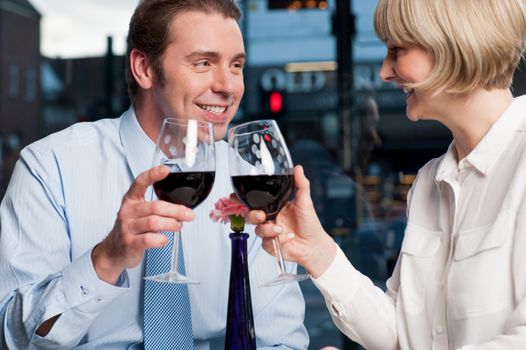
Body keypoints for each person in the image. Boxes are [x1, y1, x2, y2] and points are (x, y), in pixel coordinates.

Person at [0, 0, 308, 348]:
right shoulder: (50, 167)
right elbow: (11, 337)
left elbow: (280, 339)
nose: (228, 86)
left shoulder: (247, 181)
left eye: (236, 65)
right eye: (204, 63)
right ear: (144, 69)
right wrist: (105, 259)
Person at [249, 0, 526, 349]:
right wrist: (316, 250)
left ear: (454, 44)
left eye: (397, 51)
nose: (384, 72)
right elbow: (400, 333)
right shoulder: (429, 183)